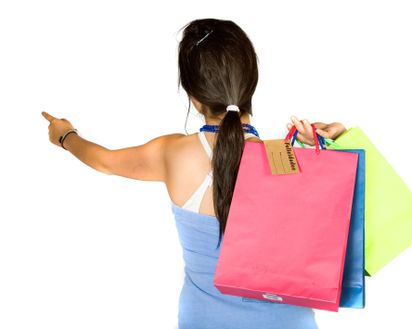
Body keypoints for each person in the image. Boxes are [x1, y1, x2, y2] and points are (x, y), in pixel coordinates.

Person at [42, 18, 347, 329]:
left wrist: (65, 136)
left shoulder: (172, 154)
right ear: (251, 84)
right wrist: (338, 143)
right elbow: (359, 208)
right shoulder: (289, 158)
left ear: (193, 96)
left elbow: (103, 160)